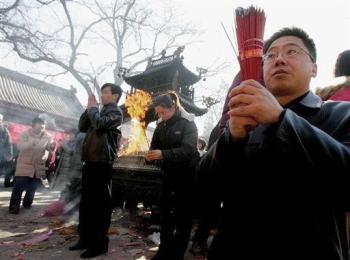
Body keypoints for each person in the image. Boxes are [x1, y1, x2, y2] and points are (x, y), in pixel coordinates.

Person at [198, 27, 350, 260]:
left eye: (292, 51)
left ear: (314, 68)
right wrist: (231, 139)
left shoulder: (340, 114)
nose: (279, 59)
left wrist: (281, 119)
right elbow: (201, 191)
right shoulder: (243, 122)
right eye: (270, 56)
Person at [69, 83, 123, 259]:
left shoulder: (116, 112)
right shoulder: (97, 111)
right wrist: (88, 109)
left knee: (99, 206)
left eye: (106, 93)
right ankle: (84, 238)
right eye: (102, 92)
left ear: (115, 96)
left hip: (102, 163)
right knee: (86, 204)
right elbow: (82, 127)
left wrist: (93, 110)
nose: (102, 95)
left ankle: (99, 244)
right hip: (90, 162)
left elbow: (99, 125)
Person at [145, 92, 199, 260]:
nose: (161, 116)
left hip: (187, 176)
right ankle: (163, 251)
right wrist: (150, 156)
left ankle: (177, 254)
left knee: (183, 219)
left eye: (164, 112)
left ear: (173, 107)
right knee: (165, 216)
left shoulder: (188, 123)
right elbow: (154, 146)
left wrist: (163, 154)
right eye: (158, 113)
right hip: (168, 175)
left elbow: (189, 150)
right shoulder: (161, 126)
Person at [9, 117, 52, 214]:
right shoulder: (25, 134)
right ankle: (14, 206)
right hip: (24, 164)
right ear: (33, 125)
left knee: (32, 188)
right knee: (18, 187)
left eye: (43, 124)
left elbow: (48, 149)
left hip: (38, 166)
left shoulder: (47, 136)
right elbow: (20, 146)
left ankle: (27, 204)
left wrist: (48, 152)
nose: (42, 126)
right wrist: (30, 143)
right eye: (40, 124)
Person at [0, 114, 13, 187]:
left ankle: (7, 183)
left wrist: (9, 154)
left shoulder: (4, 130)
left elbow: (9, 143)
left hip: (2, 153)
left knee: (9, 168)